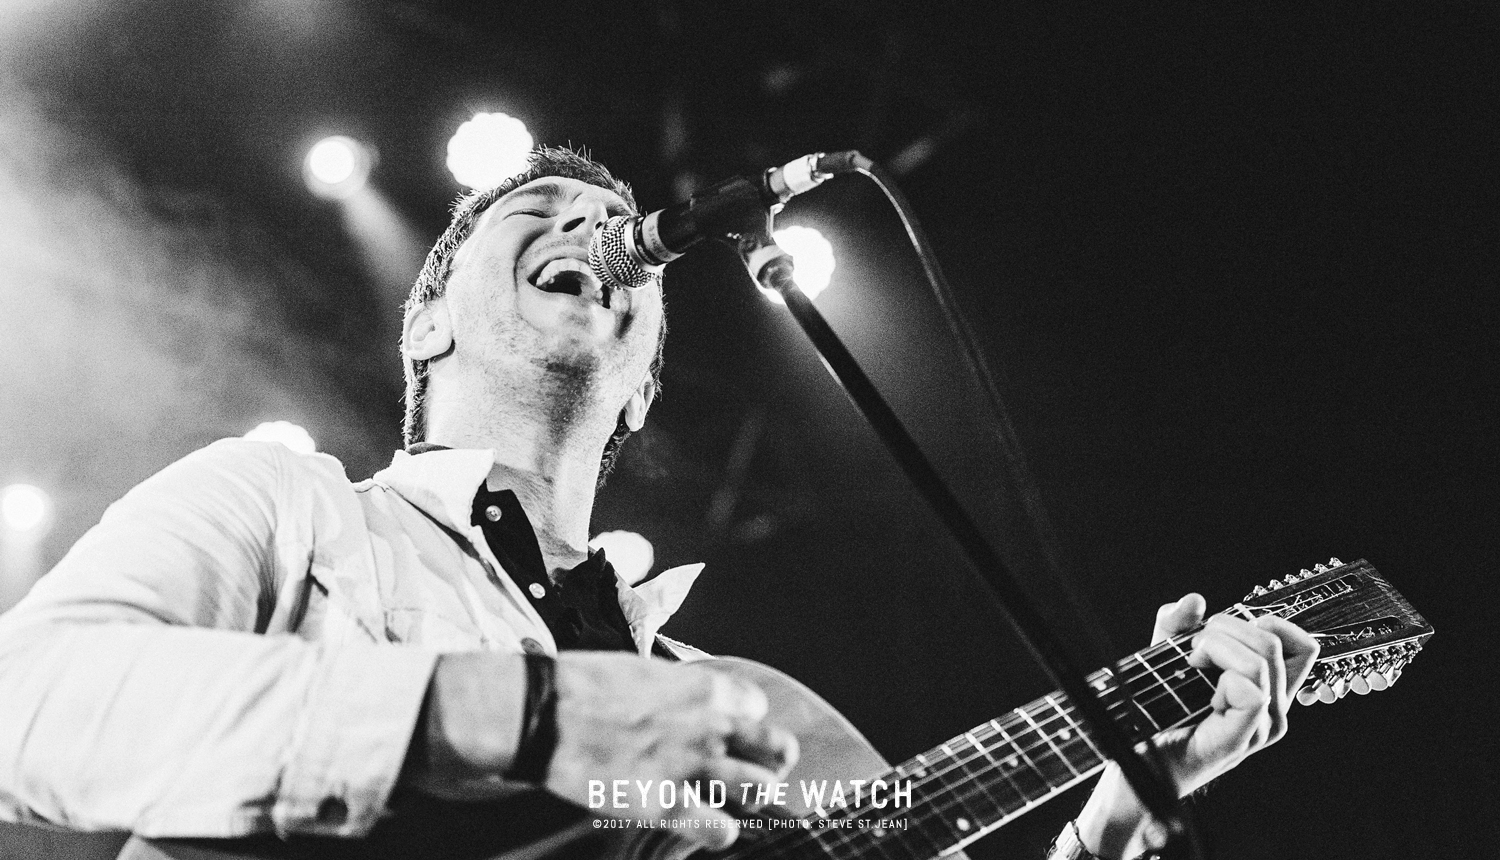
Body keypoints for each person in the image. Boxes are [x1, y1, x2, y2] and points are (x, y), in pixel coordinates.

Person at [0, 148, 1318, 860]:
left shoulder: (723, 706)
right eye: (543, 210)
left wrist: (1126, 810)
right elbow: (26, 704)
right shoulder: (289, 507)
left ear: (641, 381)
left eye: (619, 217)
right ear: (425, 321)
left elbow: (883, 831)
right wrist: (506, 714)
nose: (600, 222)